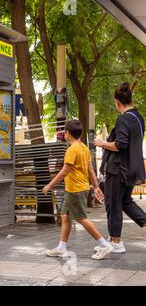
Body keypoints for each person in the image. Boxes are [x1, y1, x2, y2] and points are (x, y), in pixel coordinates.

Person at [43, 120, 113, 260]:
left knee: (81, 218)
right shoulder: (84, 148)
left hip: (75, 190)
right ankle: (61, 248)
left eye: (64, 131)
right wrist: (95, 186)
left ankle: (104, 245)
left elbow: (64, 171)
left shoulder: (72, 150)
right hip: (76, 189)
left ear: (67, 133)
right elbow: (90, 169)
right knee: (65, 216)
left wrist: (50, 185)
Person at [94, 82, 146, 253]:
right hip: (132, 168)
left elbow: (120, 144)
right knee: (125, 202)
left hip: (118, 169)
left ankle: (116, 241)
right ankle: (114, 237)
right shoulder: (139, 118)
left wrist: (102, 143)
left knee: (113, 203)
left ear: (117, 102)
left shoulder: (124, 118)